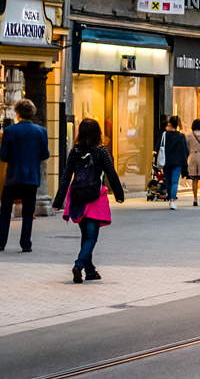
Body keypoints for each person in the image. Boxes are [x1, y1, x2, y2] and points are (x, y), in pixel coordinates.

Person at [53, 118, 124, 283]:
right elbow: (111, 173)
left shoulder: (75, 151)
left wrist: (58, 201)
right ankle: (79, 265)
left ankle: (90, 271)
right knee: (91, 237)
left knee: (86, 236)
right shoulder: (101, 151)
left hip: (77, 197)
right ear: (97, 133)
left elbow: (65, 177)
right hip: (94, 198)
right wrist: (119, 195)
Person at [0, 98, 48, 252]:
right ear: (32, 113)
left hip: (13, 176)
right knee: (28, 211)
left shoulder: (10, 131)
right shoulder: (41, 131)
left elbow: (3, 155)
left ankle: (1, 242)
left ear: (17, 113)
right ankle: (25, 243)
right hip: (31, 177)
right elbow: (45, 154)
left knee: (6, 210)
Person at [158, 116, 188, 211]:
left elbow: (160, 146)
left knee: (168, 181)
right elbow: (185, 150)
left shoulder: (165, 134)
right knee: (175, 181)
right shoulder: (181, 136)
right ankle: (172, 200)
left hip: (167, 161)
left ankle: (170, 198)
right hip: (178, 162)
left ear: (170, 124)